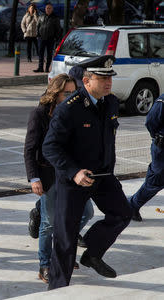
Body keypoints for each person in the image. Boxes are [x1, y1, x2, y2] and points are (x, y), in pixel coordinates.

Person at [42, 55, 132, 289]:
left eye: (110, 77)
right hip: (74, 181)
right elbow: (50, 147)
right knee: (65, 238)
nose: (108, 82)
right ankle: (57, 290)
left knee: (122, 213)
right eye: (102, 78)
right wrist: (74, 172)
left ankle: (92, 253)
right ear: (86, 80)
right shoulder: (69, 109)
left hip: (102, 176)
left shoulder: (110, 102)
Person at [24, 73, 94, 284]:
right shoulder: (39, 113)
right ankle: (45, 264)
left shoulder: (76, 112)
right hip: (48, 175)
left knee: (86, 213)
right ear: (55, 94)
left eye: (74, 92)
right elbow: (29, 149)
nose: (72, 97)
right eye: (67, 93)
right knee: (49, 224)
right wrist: (33, 178)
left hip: (71, 174)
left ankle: (62, 251)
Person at [129, 93, 164, 222]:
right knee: (155, 181)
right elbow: (151, 122)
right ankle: (132, 205)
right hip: (162, 149)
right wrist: (159, 138)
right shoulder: (163, 100)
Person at [33, 3, 62, 73]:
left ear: (52, 9)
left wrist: (56, 38)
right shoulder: (41, 16)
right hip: (41, 38)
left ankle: (47, 68)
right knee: (40, 53)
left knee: (49, 54)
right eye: (47, 8)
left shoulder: (55, 18)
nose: (48, 9)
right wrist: (37, 35)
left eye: (49, 8)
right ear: (45, 9)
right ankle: (40, 68)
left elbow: (58, 29)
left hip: (50, 39)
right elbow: (38, 26)